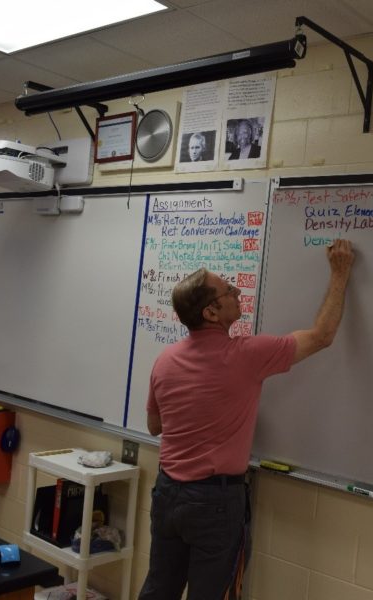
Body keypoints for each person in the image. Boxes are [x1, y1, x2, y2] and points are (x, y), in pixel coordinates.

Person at [138, 239, 355, 600]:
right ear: (211, 312)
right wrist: (340, 274)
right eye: (228, 291)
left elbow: (155, 426)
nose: (237, 292)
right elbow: (323, 336)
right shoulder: (246, 355)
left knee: (159, 590)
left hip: (168, 494)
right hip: (213, 502)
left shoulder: (165, 360)